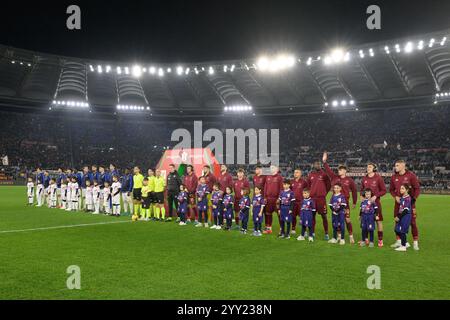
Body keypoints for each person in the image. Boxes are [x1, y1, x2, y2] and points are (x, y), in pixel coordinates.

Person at [322, 152, 357, 244]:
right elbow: (328, 170)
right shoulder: (334, 177)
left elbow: (354, 191)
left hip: (345, 204)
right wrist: (324, 162)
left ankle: (350, 236)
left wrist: (354, 202)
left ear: (345, 171)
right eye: (339, 170)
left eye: (341, 170)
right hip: (335, 203)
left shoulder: (349, 180)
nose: (339, 171)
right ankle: (338, 236)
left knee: (347, 220)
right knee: (336, 220)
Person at [389, 160, 421, 251]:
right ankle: (400, 241)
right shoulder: (393, 177)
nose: (395, 167)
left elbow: (417, 188)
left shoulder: (411, 175)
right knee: (397, 221)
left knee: (413, 223)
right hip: (398, 204)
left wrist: (413, 199)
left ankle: (415, 242)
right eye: (395, 165)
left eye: (397, 165)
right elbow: (391, 190)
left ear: (403, 165)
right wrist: (395, 197)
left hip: (409, 203)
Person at [360, 162, 387, 247]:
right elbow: (361, 190)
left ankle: (380, 240)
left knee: (378, 221)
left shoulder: (378, 178)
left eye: (370, 167)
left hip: (376, 204)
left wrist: (375, 196)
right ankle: (366, 239)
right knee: (365, 221)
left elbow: (384, 190)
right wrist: (361, 196)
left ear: (374, 168)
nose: (368, 168)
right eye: (367, 167)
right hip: (366, 205)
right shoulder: (364, 178)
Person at [307, 161, 331, 240]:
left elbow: (328, 185)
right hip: (313, 199)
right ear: (313, 165)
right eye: (316, 164)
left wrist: (324, 193)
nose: (317, 165)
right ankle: (312, 232)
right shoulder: (310, 175)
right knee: (312, 216)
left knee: (324, 216)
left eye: (319, 164)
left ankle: (326, 233)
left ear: (321, 166)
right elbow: (308, 186)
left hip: (321, 199)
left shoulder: (324, 174)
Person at [263, 165, 283, 234]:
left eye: (273, 168)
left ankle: (282, 228)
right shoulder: (268, 176)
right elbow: (265, 187)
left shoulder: (279, 177)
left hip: (276, 199)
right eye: (270, 168)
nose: (271, 169)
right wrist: (265, 197)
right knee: (268, 214)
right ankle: (269, 229)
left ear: (277, 169)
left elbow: (281, 188)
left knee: (279, 214)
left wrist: (279, 198)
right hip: (268, 199)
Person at [394, 184, 413, 252]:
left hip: (406, 216)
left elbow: (406, 210)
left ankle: (403, 246)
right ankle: (406, 243)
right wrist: (397, 215)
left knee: (402, 231)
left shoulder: (408, 198)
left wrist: (399, 217)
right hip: (401, 215)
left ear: (407, 190)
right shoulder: (403, 197)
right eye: (400, 188)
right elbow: (401, 208)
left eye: (402, 188)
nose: (401, 190)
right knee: (396, 229)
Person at [290, 169, 308, 235]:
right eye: (294, 172)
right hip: (293, 202)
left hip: (301, 202)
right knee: (293, 216)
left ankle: (305, 230)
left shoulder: (304, 182)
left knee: (302, 216)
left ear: (300, 174)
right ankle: (293, 229)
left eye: (297, 172)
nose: (295, 173)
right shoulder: (291, 181)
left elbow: (307, 190)